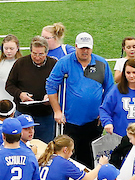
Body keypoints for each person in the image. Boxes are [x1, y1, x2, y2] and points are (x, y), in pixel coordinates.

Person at [46, 32, 114, 168]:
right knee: (68, 155)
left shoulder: (101, 64)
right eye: (82, 48)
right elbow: (51, 86)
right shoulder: (64, 62)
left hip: (94, 121)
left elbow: (110, 89)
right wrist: (57, 111)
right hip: (70, 121)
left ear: (92, 48)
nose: (85, 51)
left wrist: (105, 112)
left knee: (90, 156)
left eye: (87, 48)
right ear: (76, 46)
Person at [7, 37, 57, 143]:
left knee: (45, 147)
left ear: (47, 52)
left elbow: (61, 86)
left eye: (41, 54)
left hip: (46, 117)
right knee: (20, 144)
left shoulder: (54, 64)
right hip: (23, 114)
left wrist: (51, 96)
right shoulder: (21, 63)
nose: (37, 57)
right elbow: (9, 85)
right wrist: (20, 94)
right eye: (34, 54)